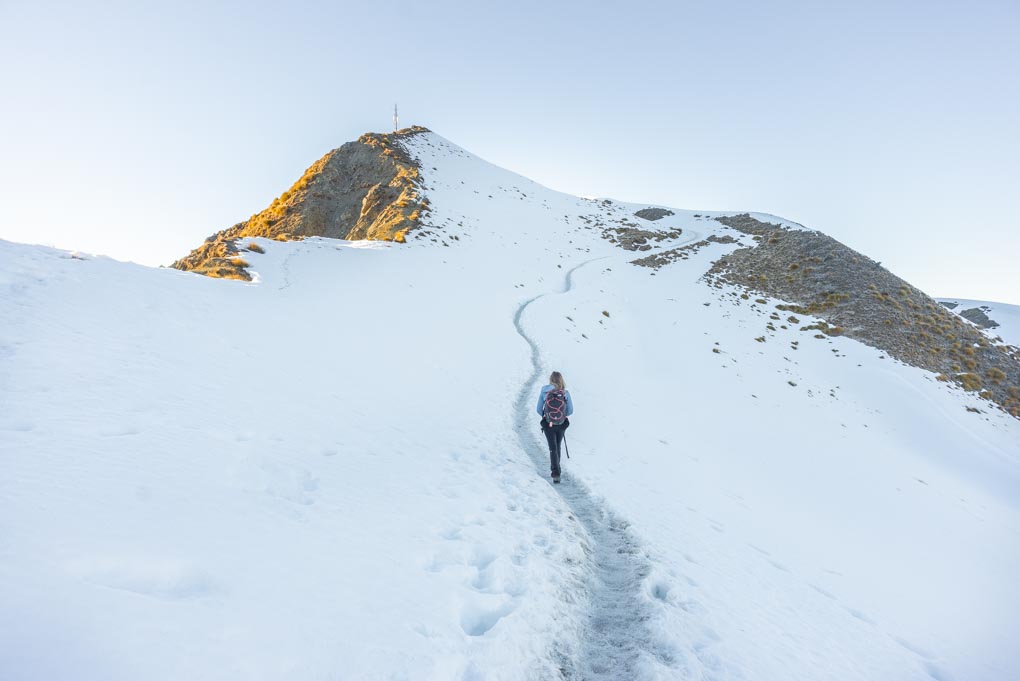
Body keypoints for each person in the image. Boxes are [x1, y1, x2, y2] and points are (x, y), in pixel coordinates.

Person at [536, 371, 573, 483]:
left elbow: (538, 409)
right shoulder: (565, 393)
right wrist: (560, 416)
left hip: (548, 424)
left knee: (552, 448)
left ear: (550, 379)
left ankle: (555, 473)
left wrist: (547, 416)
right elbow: (570, 411)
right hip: (561, 424)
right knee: (558, 446)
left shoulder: (544, 390)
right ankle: (558, 470)